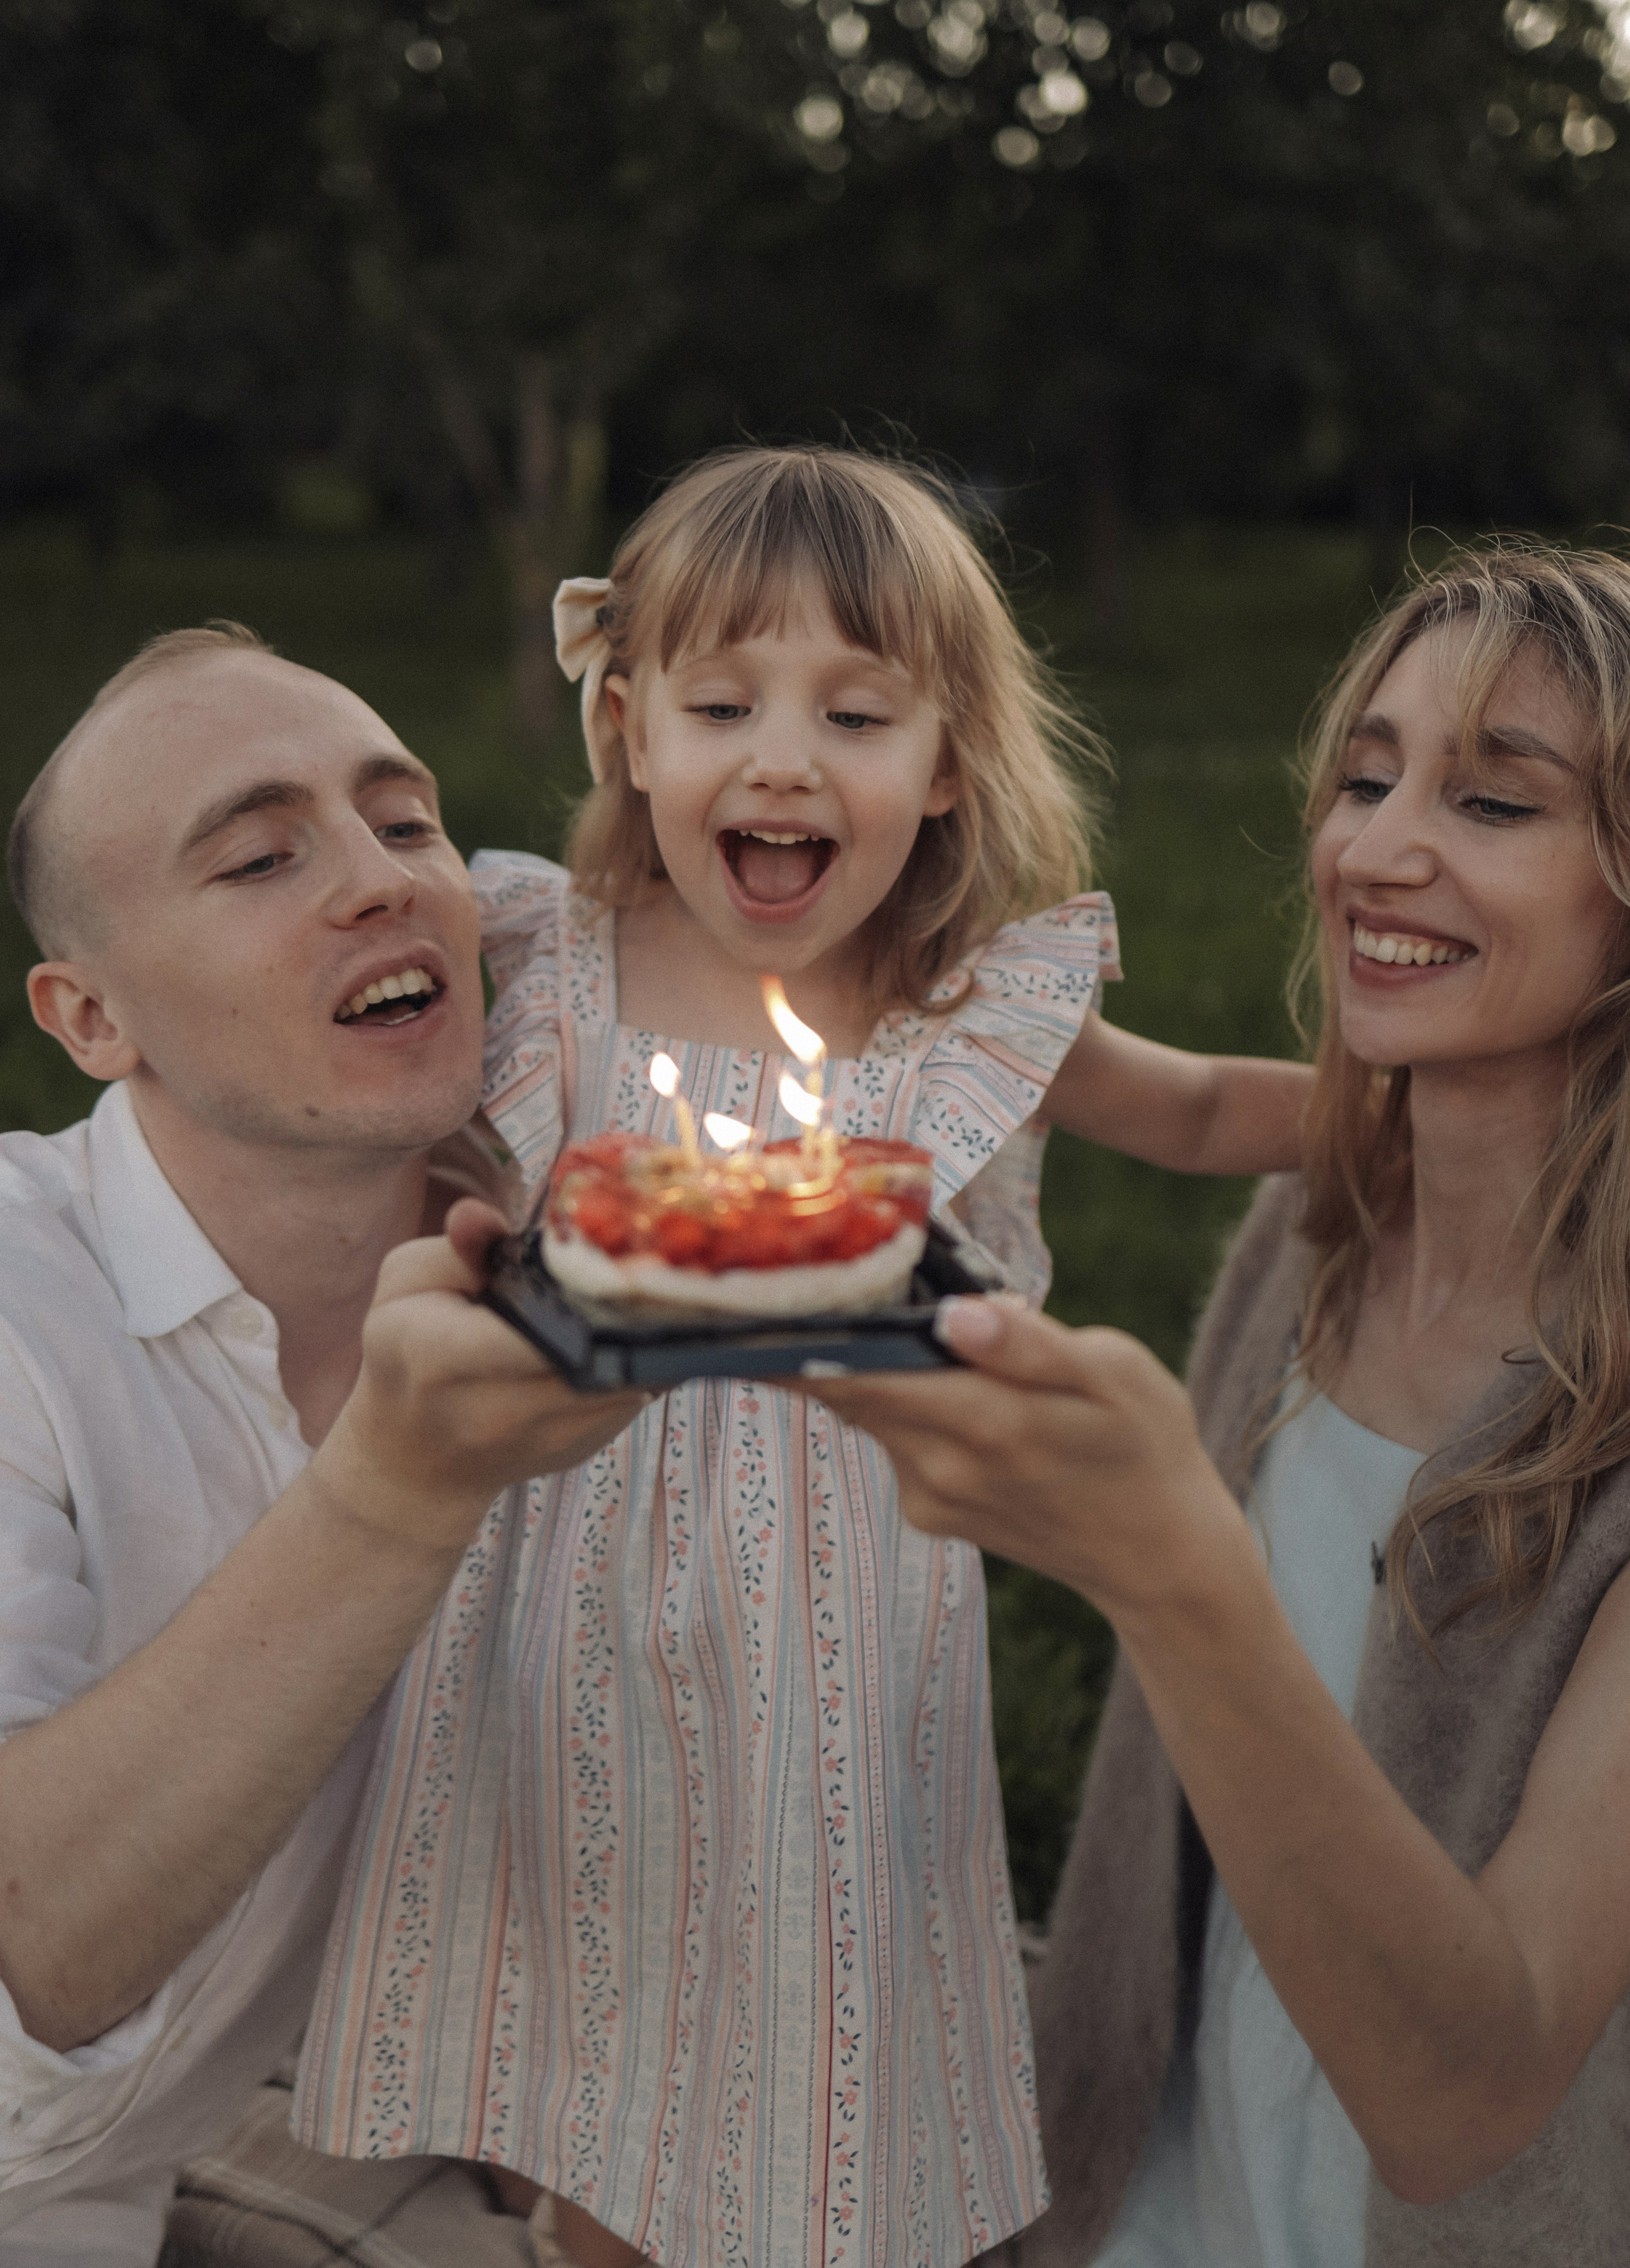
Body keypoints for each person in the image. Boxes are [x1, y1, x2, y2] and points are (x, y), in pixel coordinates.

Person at [291, 446, 1313, 2268]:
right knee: (589, 2032)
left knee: (805, 2024)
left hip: (833, 1628)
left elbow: (1204, 1107)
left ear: (947, 762)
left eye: (854, 713)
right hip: (570, 1605)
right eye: (721, 707)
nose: (782, 762)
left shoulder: (960, 1003)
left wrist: (1446, 1105)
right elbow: (345, 1086)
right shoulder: (556, 964)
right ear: (628, 731)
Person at [811, 542, 1630, 2267]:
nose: (1373, 851)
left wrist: (1168, 1569)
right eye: (1367, 778)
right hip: (1147, 2194)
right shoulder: (1311, 1239)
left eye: (1495, 801)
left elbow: (1466, 2103)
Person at [0, 625, 643, 2268]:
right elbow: (29, 1953)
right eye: (260, 858)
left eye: (405, 821)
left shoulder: (566, 1295)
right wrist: (397, 1494)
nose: (381, 881)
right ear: (92, 1016)